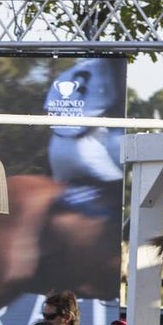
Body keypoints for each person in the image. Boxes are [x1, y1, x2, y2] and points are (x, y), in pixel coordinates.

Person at [44, 58, 125, 218]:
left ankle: (74, 195)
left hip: (55, 148)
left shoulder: (67, 72)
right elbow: (118, 103)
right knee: (120, 186)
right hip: (88, 147)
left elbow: (47, 111)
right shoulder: (111, 65)